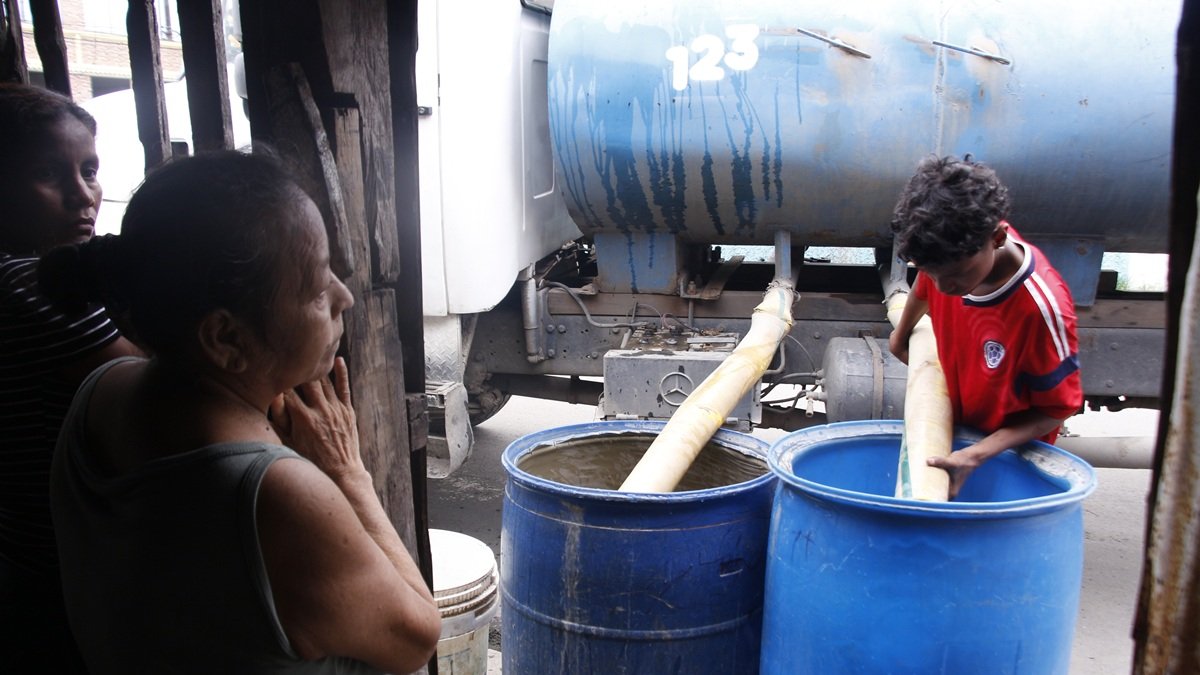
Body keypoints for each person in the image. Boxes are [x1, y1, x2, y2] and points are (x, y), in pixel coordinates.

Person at [38, 150, 441, 674]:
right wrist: (347, 473)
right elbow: (416, 640)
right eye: (318, 286)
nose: (344, 297)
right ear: (226, 338)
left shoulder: (100, 392)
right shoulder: (276, 493)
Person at [0, 82, 142, 673]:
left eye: (89, 170)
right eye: (50, 175)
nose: (82, 196)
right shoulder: (26, 286)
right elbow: (158, 390)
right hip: (61, 568)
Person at [888, 154, 1083, 499]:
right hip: (959, 428)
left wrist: (976, 454)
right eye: (932, 271)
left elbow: (1058, 408)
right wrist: (901, 334)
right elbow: (927, 281)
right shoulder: (952, 252)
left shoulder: (1038, 309)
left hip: (1005, 456)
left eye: (955, 276)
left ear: (997, 238)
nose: (943, 288)